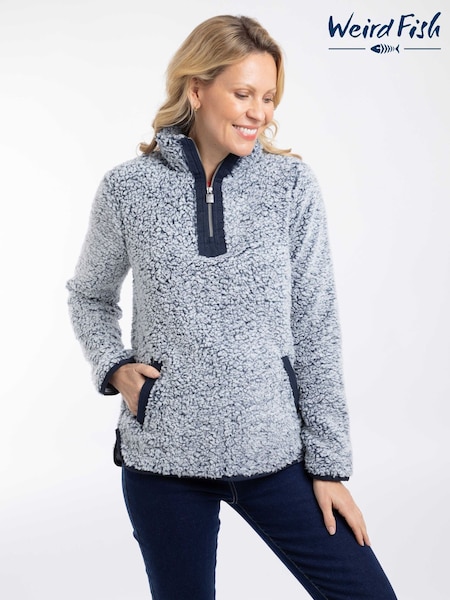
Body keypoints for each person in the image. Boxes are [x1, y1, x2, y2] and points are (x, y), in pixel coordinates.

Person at [67, 14, 398, 600]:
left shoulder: (291, 187)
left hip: (276, 457)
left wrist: (329, 467)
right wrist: (115, 368)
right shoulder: (127, 189)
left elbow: (316, 326)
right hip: (164, 463)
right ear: (197, 89)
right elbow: (90, 295)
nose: (258, 113)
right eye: (243, 94)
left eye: (268, 98)